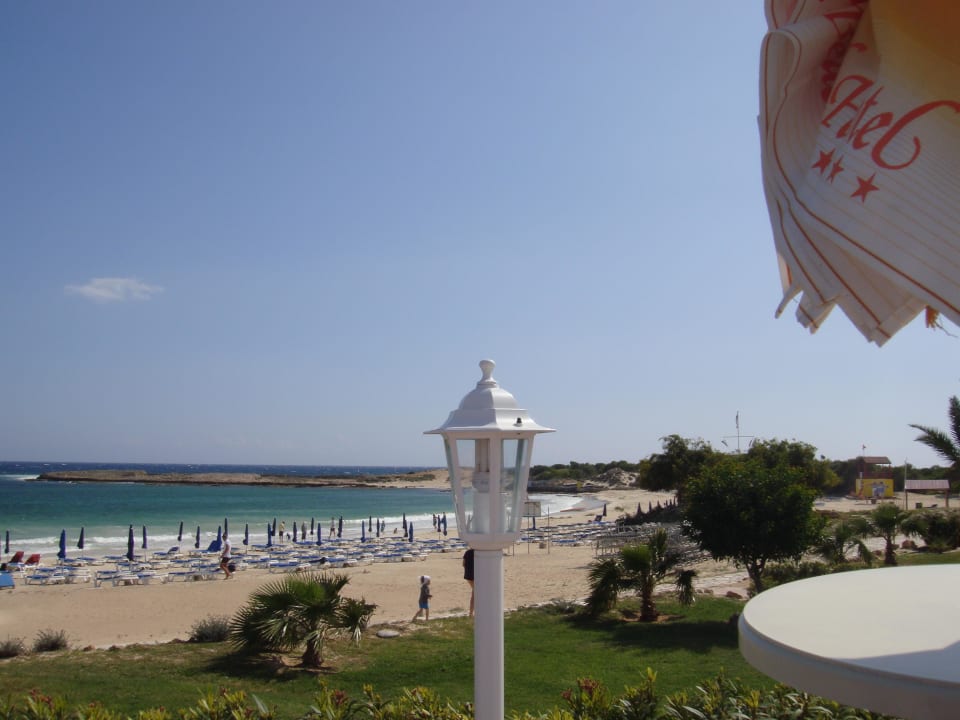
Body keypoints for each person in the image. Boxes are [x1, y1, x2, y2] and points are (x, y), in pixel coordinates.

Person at [462, 548, 475, 617]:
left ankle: (471, 613)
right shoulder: (478, 551)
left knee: (474, 593)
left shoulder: (467, 552)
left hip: (468, 575)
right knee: (475, 594)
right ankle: (471, 613)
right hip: (475, 575)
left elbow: (463, 564)